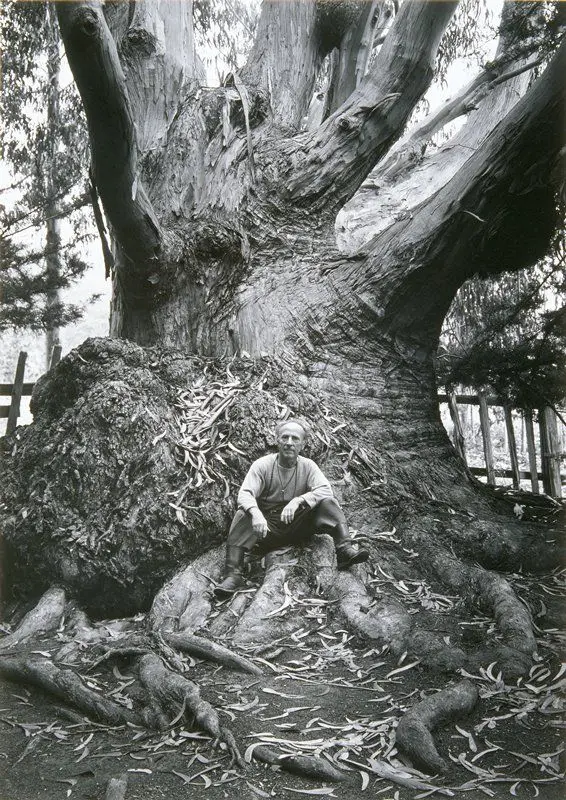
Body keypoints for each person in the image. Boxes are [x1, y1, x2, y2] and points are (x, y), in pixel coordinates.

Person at [214, 419, 369, 597]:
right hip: (267, 530)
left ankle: (344, 549)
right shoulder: (262, 465)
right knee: (243, 514)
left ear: (302, 444)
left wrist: (298, 501)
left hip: (298, 526)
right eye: (284, 437)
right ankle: (233, 575)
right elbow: (244, 494)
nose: (289, 442)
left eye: (295, 438)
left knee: (328, 502)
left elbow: (326, 489)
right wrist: (256, 514)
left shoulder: (308, 466)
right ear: (277, 440)